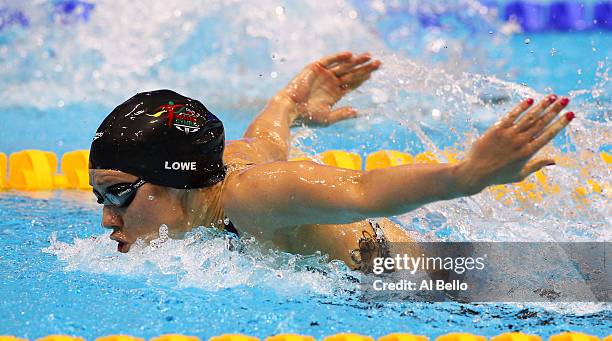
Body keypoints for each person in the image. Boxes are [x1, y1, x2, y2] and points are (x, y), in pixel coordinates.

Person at [89, 51, 574, 272]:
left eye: (119, 194)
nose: (109, 217)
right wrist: (289, 104)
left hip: (438, 287)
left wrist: (465, 176)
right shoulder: (224, 174)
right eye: (101, 197)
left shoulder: (251, 195)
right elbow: (264, 139)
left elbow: (362, 190)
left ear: (173, 180)